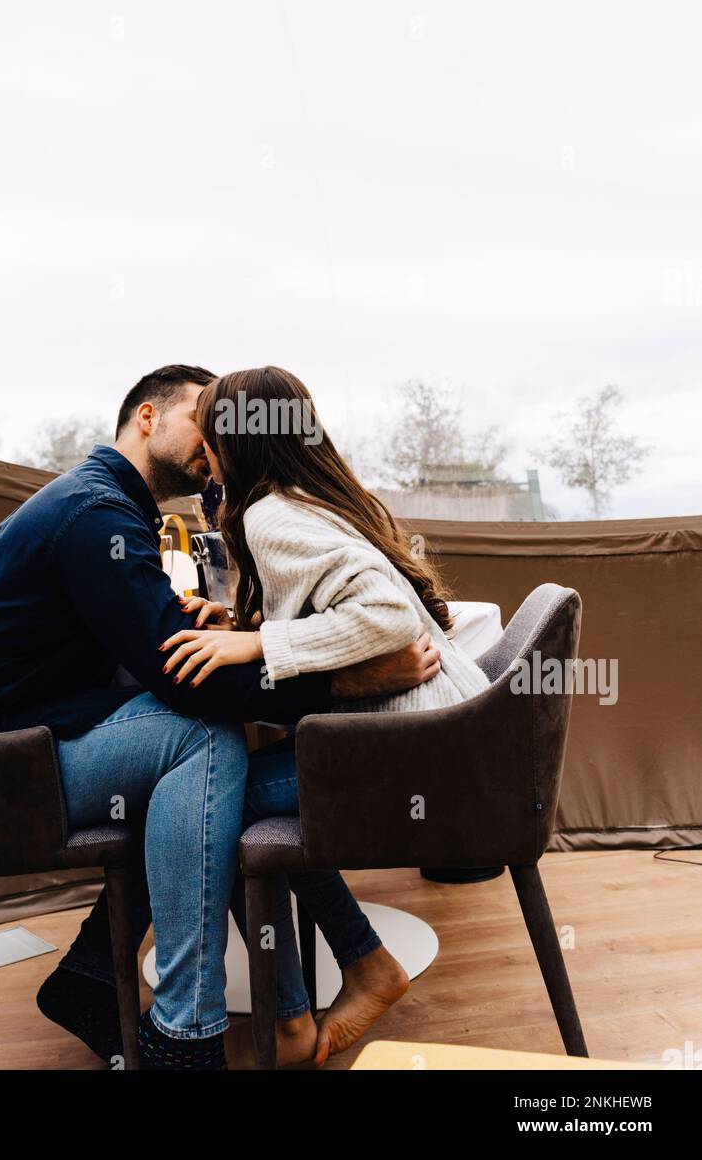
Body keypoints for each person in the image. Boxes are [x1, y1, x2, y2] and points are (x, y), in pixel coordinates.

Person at [0, 364, 438, 1070]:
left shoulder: (94, 508)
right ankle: (186, 1035)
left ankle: (114, 979)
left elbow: (143, 657)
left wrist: (213, 634)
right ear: (146, 418)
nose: (213, 445)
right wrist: (344, 681)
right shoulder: (95, 516)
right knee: (201, 741)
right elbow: (193, 689)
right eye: (199, 422)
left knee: (201, 781)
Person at [160, 364, 493, 1065]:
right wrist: (243, 618)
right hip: (451, 735)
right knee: (236, 798)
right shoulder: (315, 497)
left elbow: (385, 615)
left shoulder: (270, 514)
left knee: (221, 804)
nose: (203, 450)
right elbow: (334, 599)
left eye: (211, 433)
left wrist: (258, 639)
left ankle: (303, 1011)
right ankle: (354, 973)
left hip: (414, 749)